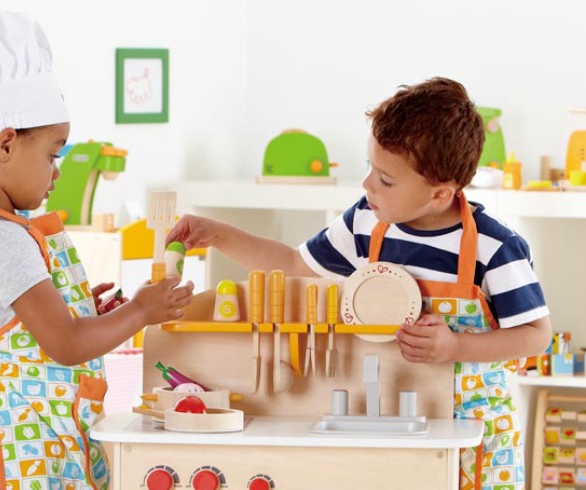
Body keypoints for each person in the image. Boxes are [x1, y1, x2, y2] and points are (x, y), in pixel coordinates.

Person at [167, 77, 551, 490]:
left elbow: (535, 335)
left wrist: (456, 347)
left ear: (440, 194)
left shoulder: (494, 247)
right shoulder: (366, 221)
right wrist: (219, 234)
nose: (367, 185)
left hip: (473, 437)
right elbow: (293, 264)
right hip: (393, 429)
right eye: (369, 167)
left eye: (386, 179)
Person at [0, 11, 193, 490]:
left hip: (10, 433)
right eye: (54, 153)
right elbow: (66, 345)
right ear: (6, 145)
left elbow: (26, 330)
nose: (58, 172)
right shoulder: (2, 237)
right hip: (6, 449)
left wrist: (83, 310)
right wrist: (141, 310)